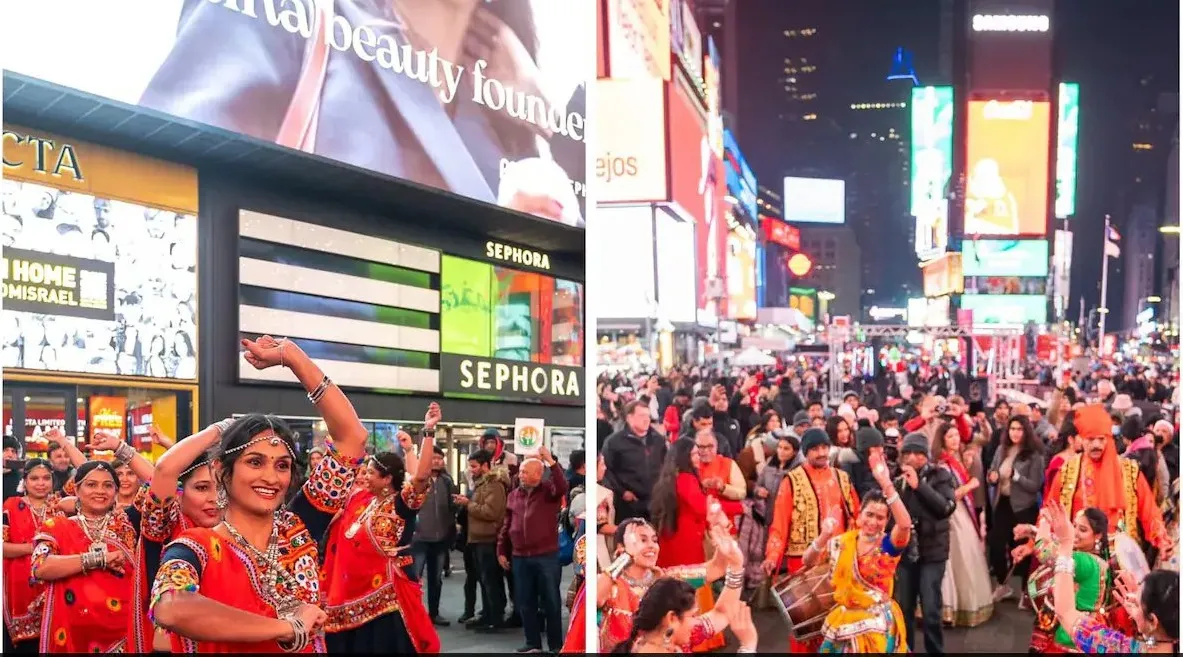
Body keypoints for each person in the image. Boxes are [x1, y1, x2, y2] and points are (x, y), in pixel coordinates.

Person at [149, 336, 369, 652]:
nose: (271, 477)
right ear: (224, 472)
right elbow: (172, 607)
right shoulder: (197, 547)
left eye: (282, 465)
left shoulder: (299, 527)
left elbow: (353, 437)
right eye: (255, 462)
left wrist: (292, 357)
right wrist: (285, 627)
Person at [321, 416, 440, 653]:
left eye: (371, 473)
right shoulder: (362, 499)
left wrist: (427, 432)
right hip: (351, 591)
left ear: (387, 479)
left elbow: (421, 477)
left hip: (387, 594)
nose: (365, 476)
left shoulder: (401, 504)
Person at [128, 421, 224, 653]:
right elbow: (163, 471)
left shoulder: (238, 531)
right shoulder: (163, 527)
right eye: (201, 488)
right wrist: (222, 429)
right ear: (179, 495)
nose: (214, 498)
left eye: (220, 488)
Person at [762, 427, 860, 653]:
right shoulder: (792, 481)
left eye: (825, 447)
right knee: (806, 630)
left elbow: (855, 515)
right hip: (804, 564)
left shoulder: (842, 478)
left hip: (838, 561)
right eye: (815, 448)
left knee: (838, 627)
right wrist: (772, 556)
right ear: (806, 452)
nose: (822, 452)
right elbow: (780, 523)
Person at [806, 459, 913, 653]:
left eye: (880, 518)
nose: (873, 521)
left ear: (887, 521)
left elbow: (905, 525)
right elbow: (809, 561)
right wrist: (824, 536)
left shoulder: (887, 546)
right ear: (859, 514)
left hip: (876, 626)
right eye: (869, 514)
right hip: (844, 622)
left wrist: (886, 485)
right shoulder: (842, 542)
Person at [30, 461, 138, 653]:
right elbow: (41, 567)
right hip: (73, 632)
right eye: (91, 484)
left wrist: (120, 449)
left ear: (116, 491)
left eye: (108, 485)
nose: (100, 491)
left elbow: (159, 487)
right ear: (77, 490)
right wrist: (99, 559)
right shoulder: (57, 526)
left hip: (123, 629)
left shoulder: (127, 525)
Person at [1047, 500, 1179, 653]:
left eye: (1139, 599)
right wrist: (1144, 625)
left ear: (1153, 621)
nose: (1134, 598)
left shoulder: (1121, 649)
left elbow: (1066, 612)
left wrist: (1065, 543)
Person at [591, 518, 739, 652]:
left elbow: (717, 568)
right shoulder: (609, 585)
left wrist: (724, 544)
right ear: (621, 547)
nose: (651, 546)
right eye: (642, 540)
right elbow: (593, 599)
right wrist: (626, 557)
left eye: (654, 540)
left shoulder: (669, 582)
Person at [650, 439, 743, 652]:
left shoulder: (671, 478)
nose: (697, 458)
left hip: (675, 539)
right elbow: (703, 509)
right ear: (683, 457)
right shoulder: (685, 479)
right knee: (694, 583)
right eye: (693, 454)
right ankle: (697, 638)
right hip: (685, 542)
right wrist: (737, 506)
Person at [1046, 404, 1170, 563]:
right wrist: (1031, 542)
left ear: (1109, 439)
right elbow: (1050, 513)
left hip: (1120, 560)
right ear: (1081, 440)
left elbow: (1150, 512)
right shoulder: (1067, 472)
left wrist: (1162, 540)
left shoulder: (1129, 472)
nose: (1097, 445)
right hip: (1078, 560)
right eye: (1091, 439)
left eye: (1101, 439)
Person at [497, 447, 569, 654]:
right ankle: (533, 643)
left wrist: (551, 462)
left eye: (525, 472)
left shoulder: (549, 491)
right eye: (520, 472)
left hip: (546, 555)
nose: (521, 475)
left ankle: (556, 646)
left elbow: (563, 485)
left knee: (551, 602)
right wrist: (502, 549)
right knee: (525, 602)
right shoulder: (513, 495)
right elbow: (507, 524)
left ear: (538, 474)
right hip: (520, 556)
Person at [893, 432, 956, 656]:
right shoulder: (896, 478)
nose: (912, 458)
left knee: (930, 610)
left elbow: (946, 508)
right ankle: (905, 650)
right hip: (905, 552)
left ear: (926, 456)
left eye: (918, 453)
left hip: (933, 551)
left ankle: (935, 651)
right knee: (904, 609)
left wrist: (919, 485)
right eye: (907, 453)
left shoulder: (941, 475)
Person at [1015, 506, 1112, 653]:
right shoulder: (1098, 558)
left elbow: (1044, 552)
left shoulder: (1083, 561)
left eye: (1083, 530)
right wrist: (1031, 530)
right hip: (1088, 632)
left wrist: (1044, 521)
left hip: (1069, 634)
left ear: (1097, 535)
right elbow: (1057, 541)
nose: (1075, 533)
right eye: (1074, 527)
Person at [932, 422, 993, 627]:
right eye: (950, 436)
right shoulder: (942, 465)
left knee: (966, 555)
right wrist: (971, 485)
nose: (955, 440)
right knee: (956, 557)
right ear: (942, 440)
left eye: (957, 436)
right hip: (952, 514)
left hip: (962, 513)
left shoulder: (956, 460)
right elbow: (949, 495)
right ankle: (950, 607)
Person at [2, 458, 63, 653]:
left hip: (54, 585)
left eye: (46, 478)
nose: (41, 483)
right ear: (25, 481)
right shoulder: (11, 507)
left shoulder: (59, 507)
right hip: (19, 587)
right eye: (35, 478)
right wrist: (35, 548)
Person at [987, 416, 1045, 603]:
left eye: (1020, 429)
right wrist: (992, 477)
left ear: (1026, 431)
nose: (1015, 432)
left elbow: (1035, 485)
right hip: (1002, 502)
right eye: (1012, 428)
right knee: (995, 544)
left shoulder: (1034, 454)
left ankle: (1025, 591)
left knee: (1023, 550)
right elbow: (992, 471)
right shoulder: (1001, 449)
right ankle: (1003, 584)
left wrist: (1017, 476)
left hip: (1024, 507)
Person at [459, 448, 511, 631]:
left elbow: (492, 512)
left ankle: (494, 617)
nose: (471, 470)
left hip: (488, 539)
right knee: (484, 579)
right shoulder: (482, 484)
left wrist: (468, 504)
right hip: (478, 539)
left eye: (474, 466)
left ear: (485, 465)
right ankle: (488, 613)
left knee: (491, 580)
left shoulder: (494, 485)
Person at [411, 445, 459, 627]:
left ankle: (434, 613)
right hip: (419, 539)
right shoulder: (417, 480)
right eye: (433, 458)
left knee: (436, 579)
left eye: (440, 458)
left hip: (440, 539)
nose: (437, 461)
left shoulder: (447, 481)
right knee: (415, 579)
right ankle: (414, 615)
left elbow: (452, 507)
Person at [602, 400, 668, 522]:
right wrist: (622, 492)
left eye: (648, 416)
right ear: (629, 418)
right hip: (629, 504)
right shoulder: (614, 442)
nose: (646, 419)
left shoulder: (658, 440)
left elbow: (667, 465)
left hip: (655, 502)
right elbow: (607, 471)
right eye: (642, 416)